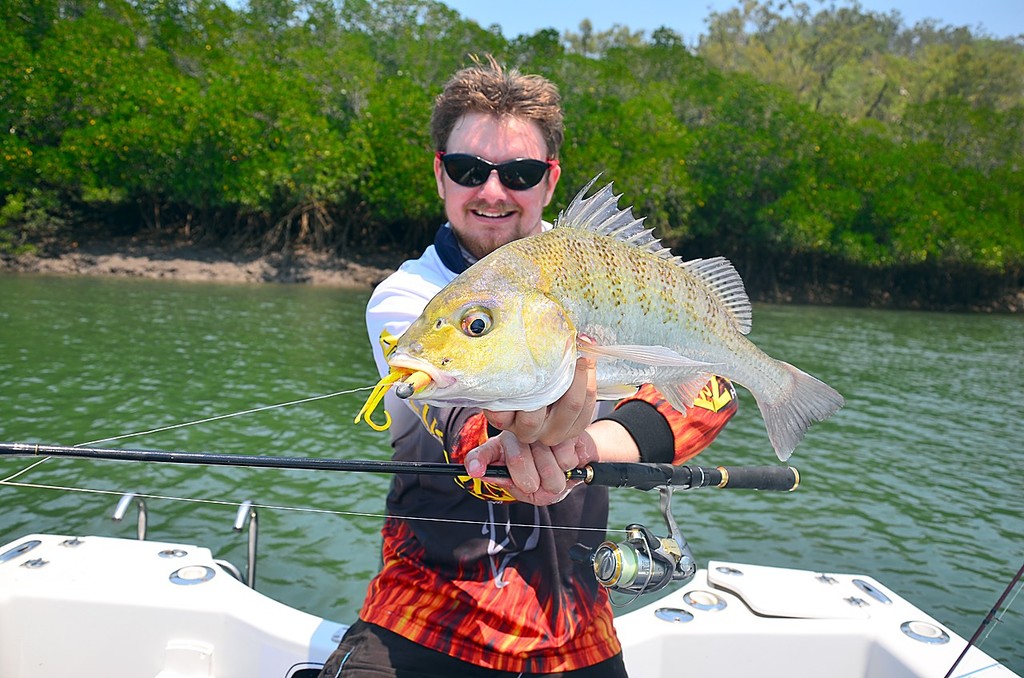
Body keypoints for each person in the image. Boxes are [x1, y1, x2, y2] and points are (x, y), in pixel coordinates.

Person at [319, 56, 738, 678]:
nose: (492, 191)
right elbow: (451, 412)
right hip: (425, 612)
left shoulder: (598, 275)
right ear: (440, 176)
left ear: (549, 181)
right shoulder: (408, 300)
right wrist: (513, 446)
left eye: (518, 172)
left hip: (579, 624)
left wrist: (585, 444)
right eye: (467, 169)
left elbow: (714, 388)